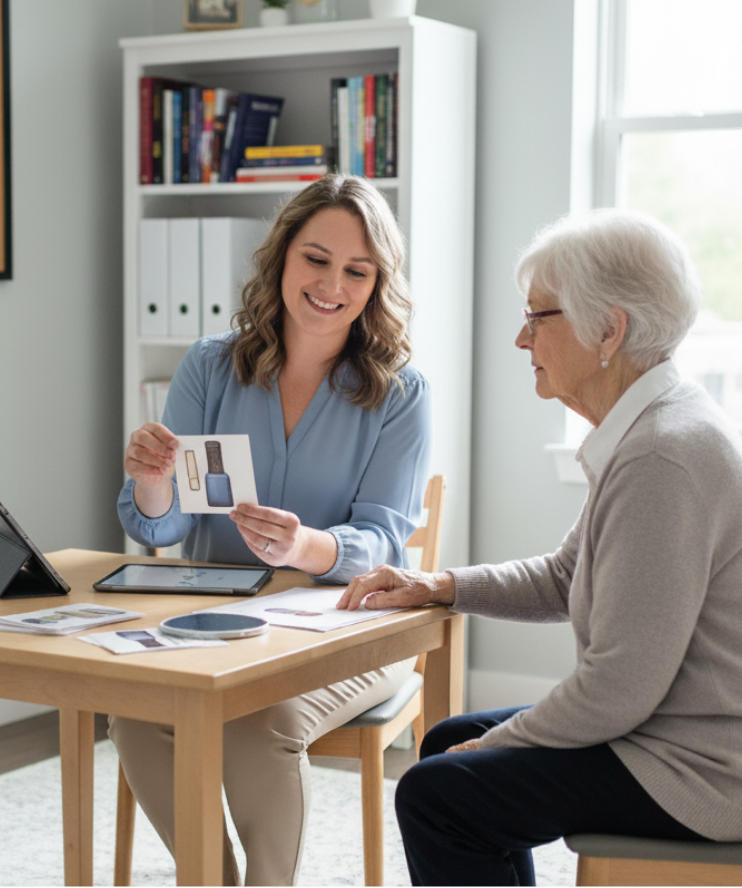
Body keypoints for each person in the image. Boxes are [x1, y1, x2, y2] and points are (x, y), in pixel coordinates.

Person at [339, 208, 742, 886]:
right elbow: (565, 576)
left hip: (699, 766)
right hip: (675, 729)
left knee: (437, 794)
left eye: (537, 318)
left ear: (608, 329)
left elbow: (616, 692)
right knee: (444, 748)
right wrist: (444, 585)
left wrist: (493, 747)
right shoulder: (653, 427)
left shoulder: (659, 458)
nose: (521, 339)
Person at [110, 174, 431, 886]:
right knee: (134, 714)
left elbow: (382, 540)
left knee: (259, 723)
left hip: (350, 624)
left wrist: (306, 547)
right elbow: (160, 529)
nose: (331, 285)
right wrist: (153, 480)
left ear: (377, 283)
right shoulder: (209, 364)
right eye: (315, 259)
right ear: (283, 255)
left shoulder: (401, 394)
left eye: (357, 270)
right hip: (220, 622)